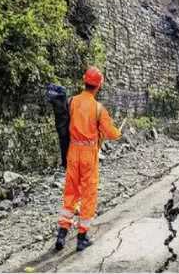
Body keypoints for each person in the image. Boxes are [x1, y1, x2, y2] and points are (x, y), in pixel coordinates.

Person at [55, 67, 122, 252]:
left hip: (72, 151)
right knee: (88, 194)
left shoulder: (71, 101)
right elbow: (111, 133)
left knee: (71, 191)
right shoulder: (98, 109)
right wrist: (118, 132)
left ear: (84, 81)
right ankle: (82, 237)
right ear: (99, 86)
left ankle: (62, 233)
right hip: (88, 154)